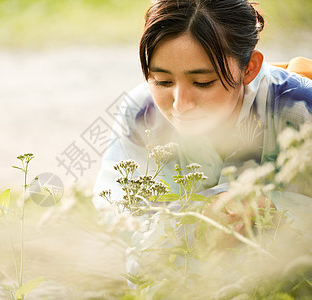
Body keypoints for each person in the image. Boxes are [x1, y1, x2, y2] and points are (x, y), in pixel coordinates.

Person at [92, 0, 311, 280]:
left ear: (249, 68)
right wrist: (199, 219)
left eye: (203, 83)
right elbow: (116, 209)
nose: (180, 104)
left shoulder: (300, 107)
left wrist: (269, 207)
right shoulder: (142, 112)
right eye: (162, 81)